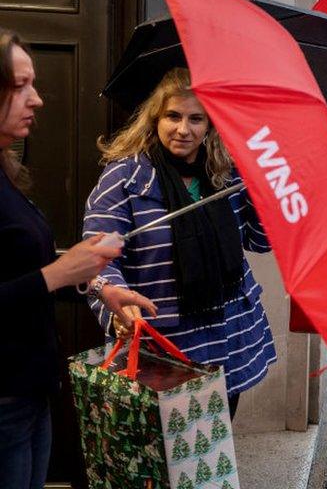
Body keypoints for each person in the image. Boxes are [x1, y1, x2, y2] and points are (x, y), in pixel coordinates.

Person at [0, 28, 155, 489]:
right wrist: (57, 274)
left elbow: (22, 267)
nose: (37, 99)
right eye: (20, 85)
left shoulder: (6, 169)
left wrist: (97, 285)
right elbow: (36, 278)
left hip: (29, 392)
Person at [82, 67, 276, 418]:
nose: (183, 129)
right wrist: (117, 304)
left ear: (210, 125)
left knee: (211, 456)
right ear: (156, 117)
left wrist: (264, 186)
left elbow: (260, 241)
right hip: (165, 346)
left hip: (227, 337)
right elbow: (99, 255)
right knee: (160, 463)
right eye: (173, 115)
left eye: (196, 119)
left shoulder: (226, 173)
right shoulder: (126, 177)